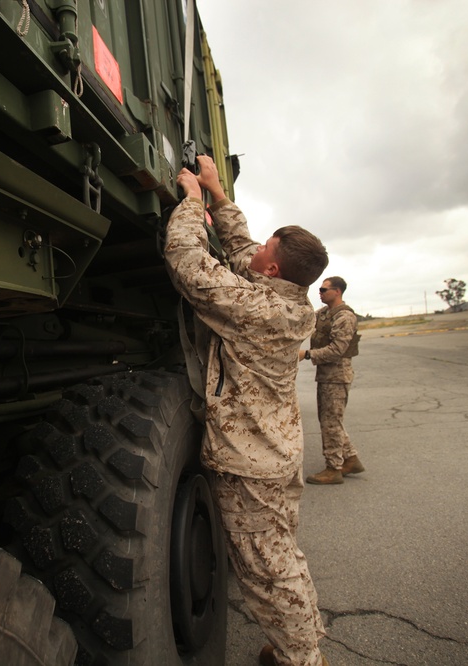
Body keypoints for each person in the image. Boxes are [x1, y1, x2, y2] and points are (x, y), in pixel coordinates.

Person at [164, 155, 330, 666]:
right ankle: (295, 647)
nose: (255, 249)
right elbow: (240, 250)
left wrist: (193, 204)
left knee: (269, 571)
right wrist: (218, 193)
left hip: (251, 465)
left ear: (273, 268)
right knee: (282, 558)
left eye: (266, 250)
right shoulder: (281, 297)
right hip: (273, 458)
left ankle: (302, 659)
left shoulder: (260, 308)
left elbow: (189, 265)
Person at [302, 276, 365, 485]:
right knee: (331, 421)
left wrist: (308, 354)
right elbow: (306, 317)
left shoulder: (344, 317)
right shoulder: (325, 313)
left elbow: (337, 350)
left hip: (337, 377)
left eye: (323, 289)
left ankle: (333, 469)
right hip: (327, 376)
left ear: (337, 291)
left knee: (330, 424)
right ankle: (351, 459)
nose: (320, 293)